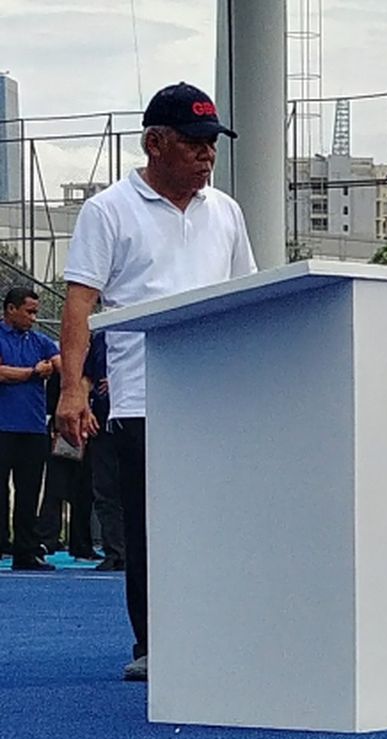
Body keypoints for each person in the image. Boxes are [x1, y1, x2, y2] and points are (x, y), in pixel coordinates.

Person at [56, 82, 256, 681]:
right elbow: (79, 303)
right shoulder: (108, 210)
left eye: (212, 144)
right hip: (144, 395)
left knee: (219, 520)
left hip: (215, 394)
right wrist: (72, 388)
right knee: (151, 526)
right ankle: (155, 644)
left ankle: (219, 630)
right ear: (154, 143)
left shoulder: (226, 211)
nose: (207, 155)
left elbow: (244, 294)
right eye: (194, 143)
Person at [0, 287, 60, 571]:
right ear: (11, 309)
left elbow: (60, 363)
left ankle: (25, 551)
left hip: (33, 428)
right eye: (29, 312)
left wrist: (54, 366)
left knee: (29, 492)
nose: (34, 318)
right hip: (3, 426)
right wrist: (33, 373)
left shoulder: (41, 341)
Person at [36, 369, 101, 560]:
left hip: (92, 434)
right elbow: (52, 400)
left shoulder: (97, 363)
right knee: (55, 488)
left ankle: (81, 545)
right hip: (63, 434)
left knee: (84, 491)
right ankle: (46, 539)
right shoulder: (64, 368)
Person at [85, 331, 124, 571]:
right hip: (101, 423)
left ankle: (141, 550)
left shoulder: (148, 327)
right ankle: (115, 551)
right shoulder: (100, 338)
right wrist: (82, 404)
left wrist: (121, 380)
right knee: (105, 490)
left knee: (137, 490)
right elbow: (87, 376)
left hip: (137, 422)